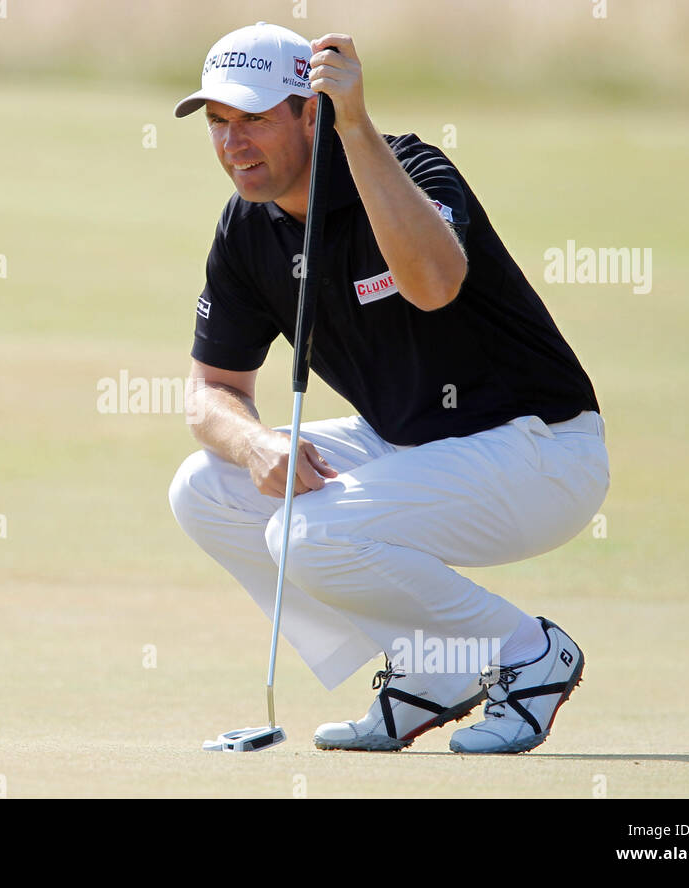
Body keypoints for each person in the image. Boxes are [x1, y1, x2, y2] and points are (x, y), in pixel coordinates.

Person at [167, 22, 609, 753]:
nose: (232, 144)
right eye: (218, 123)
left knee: (303, 534)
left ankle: (529, 653)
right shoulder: (247, 228)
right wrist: (256, 443)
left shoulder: (410, 168)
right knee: (205, 488)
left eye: (253, 120)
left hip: (542, 451)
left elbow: (433, 286)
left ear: (313, 113)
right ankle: (432, 667)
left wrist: (359, 126)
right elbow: (210, 391)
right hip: (409, 447)